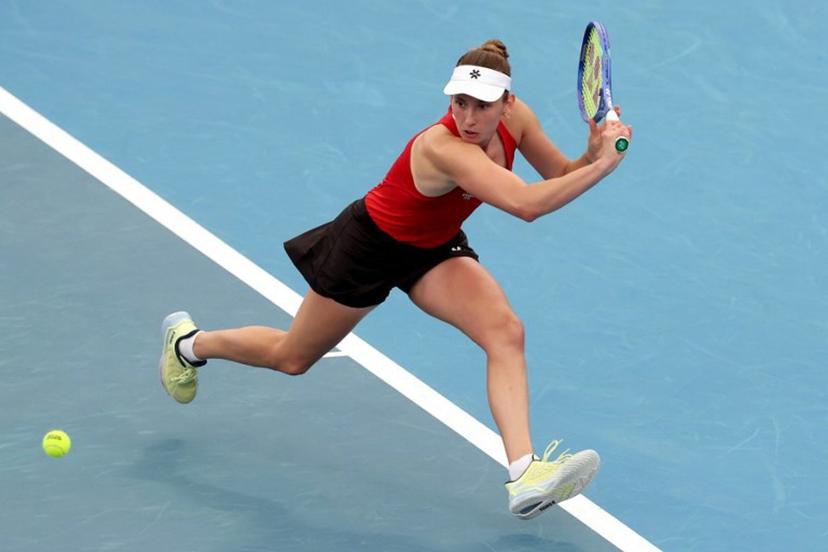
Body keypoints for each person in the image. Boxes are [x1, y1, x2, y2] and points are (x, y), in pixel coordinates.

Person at [158, 39, 631, 520]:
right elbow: (528, 205)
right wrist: (607, 165)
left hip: (432, 249)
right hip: (368, 249)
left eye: (482, 106)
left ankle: (524, 474)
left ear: (507, 104)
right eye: (459, 103)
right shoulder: (443, 148)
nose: (468, 117)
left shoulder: (519, 120)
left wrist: (591, 155)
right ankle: (189, 345)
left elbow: (560, 175)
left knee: (505, 331)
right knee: (292, 357)